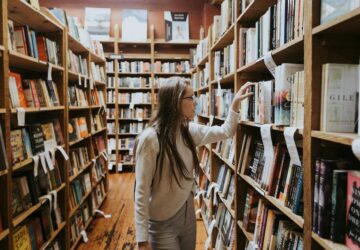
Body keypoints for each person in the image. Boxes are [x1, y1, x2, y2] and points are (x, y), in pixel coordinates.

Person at [134, 77, 253, 250]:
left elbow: (225, 131)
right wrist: (142, 240)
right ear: (176, 102)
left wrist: (234, 105)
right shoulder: (150, 140)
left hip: (187, 213)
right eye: (190, 98)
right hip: (162, 222)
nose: (195, 102)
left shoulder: (188, 130)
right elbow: (141, 191)